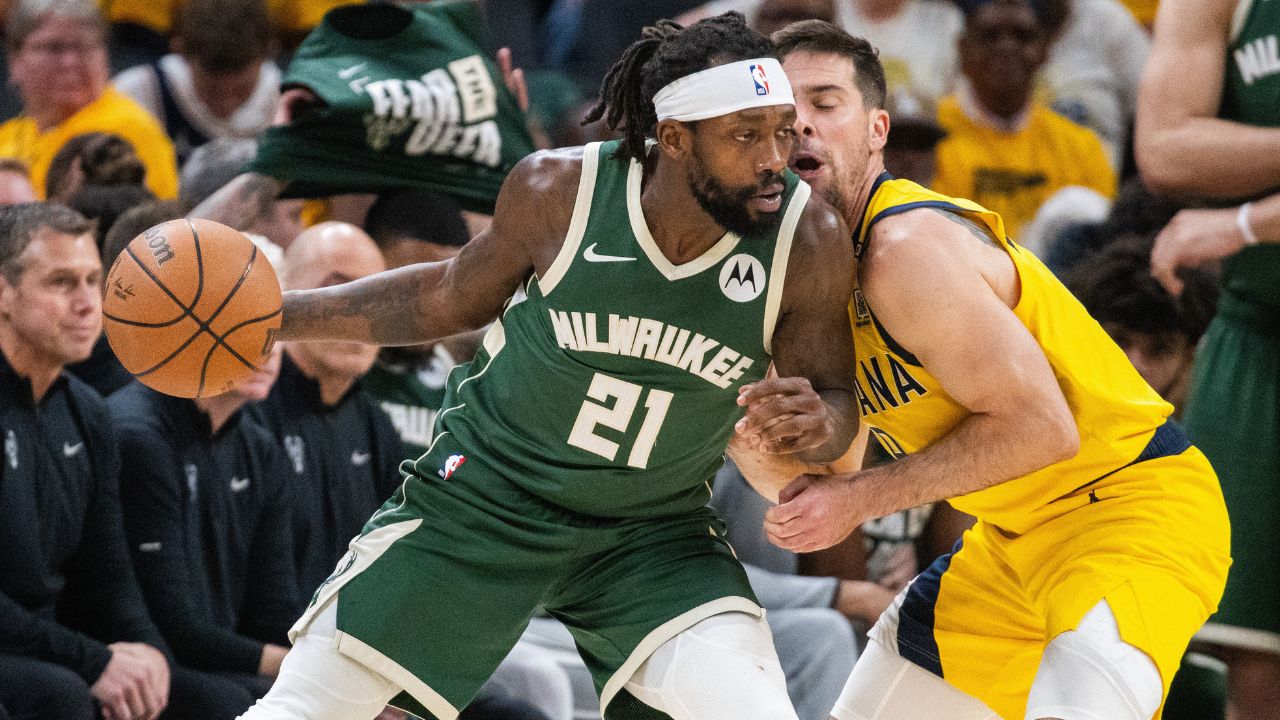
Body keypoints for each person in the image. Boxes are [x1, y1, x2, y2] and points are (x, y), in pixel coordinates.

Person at [229, 13, 858, 720]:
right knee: (300, 711)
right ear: (676, 140)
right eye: (747, 135)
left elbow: (836, 408)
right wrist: (275, 316)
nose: (775, 157)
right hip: (488, 500)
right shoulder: (561, 192)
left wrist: (817, 422)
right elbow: (443, 297)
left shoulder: (806, 237)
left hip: (651, 533)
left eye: (783, 128)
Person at [732, 19, 1230, 720]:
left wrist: (858, 500)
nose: (803, 125)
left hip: (1127, 508)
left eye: (825, 102)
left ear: (877, 129)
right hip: (1007, 544)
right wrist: (748, 442)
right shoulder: (797, 278)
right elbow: (826, 480)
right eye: (785, 112)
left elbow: (1042, 429)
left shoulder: (905, 247)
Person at [1136, 0, 1280, 715]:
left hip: (1250, 260)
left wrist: (1248, 219)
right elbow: (1165, 147)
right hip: (1260, 328)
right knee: (1251, 644)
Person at [0, 202, 171, 720]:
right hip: (27, 653)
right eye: (61, 282)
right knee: (61, 694)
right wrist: (94, 660)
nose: (86, 303)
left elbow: (107, 573)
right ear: (3, 293)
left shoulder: (87, 411)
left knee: (184, 694)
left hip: (45, 644)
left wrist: (147, 654)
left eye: (94, 281)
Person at [247, 222, 405, 602]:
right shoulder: (247, 408)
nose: (358, 317)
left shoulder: (374, 424)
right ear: (286, 297)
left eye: (377, 298)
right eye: (336, 292)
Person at [930, 0, 1116, 237]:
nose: (1007, 47)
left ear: (1045, 50)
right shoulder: (924, 138)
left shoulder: (1082, 148)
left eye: (1023, 36)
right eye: (990, 36)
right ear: (962, 49)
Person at [0, 0, 178, 199]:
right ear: (15, 60)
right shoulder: (7, 135)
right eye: (54, 47)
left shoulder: (122, 131)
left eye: (83, 46)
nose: (70, 61)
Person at [112, 0, 280, 165]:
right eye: (212, 92)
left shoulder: (285, 99)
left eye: (242, 90)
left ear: (268, 55)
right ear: (181, 53)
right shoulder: (137, 95)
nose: (227, 105)